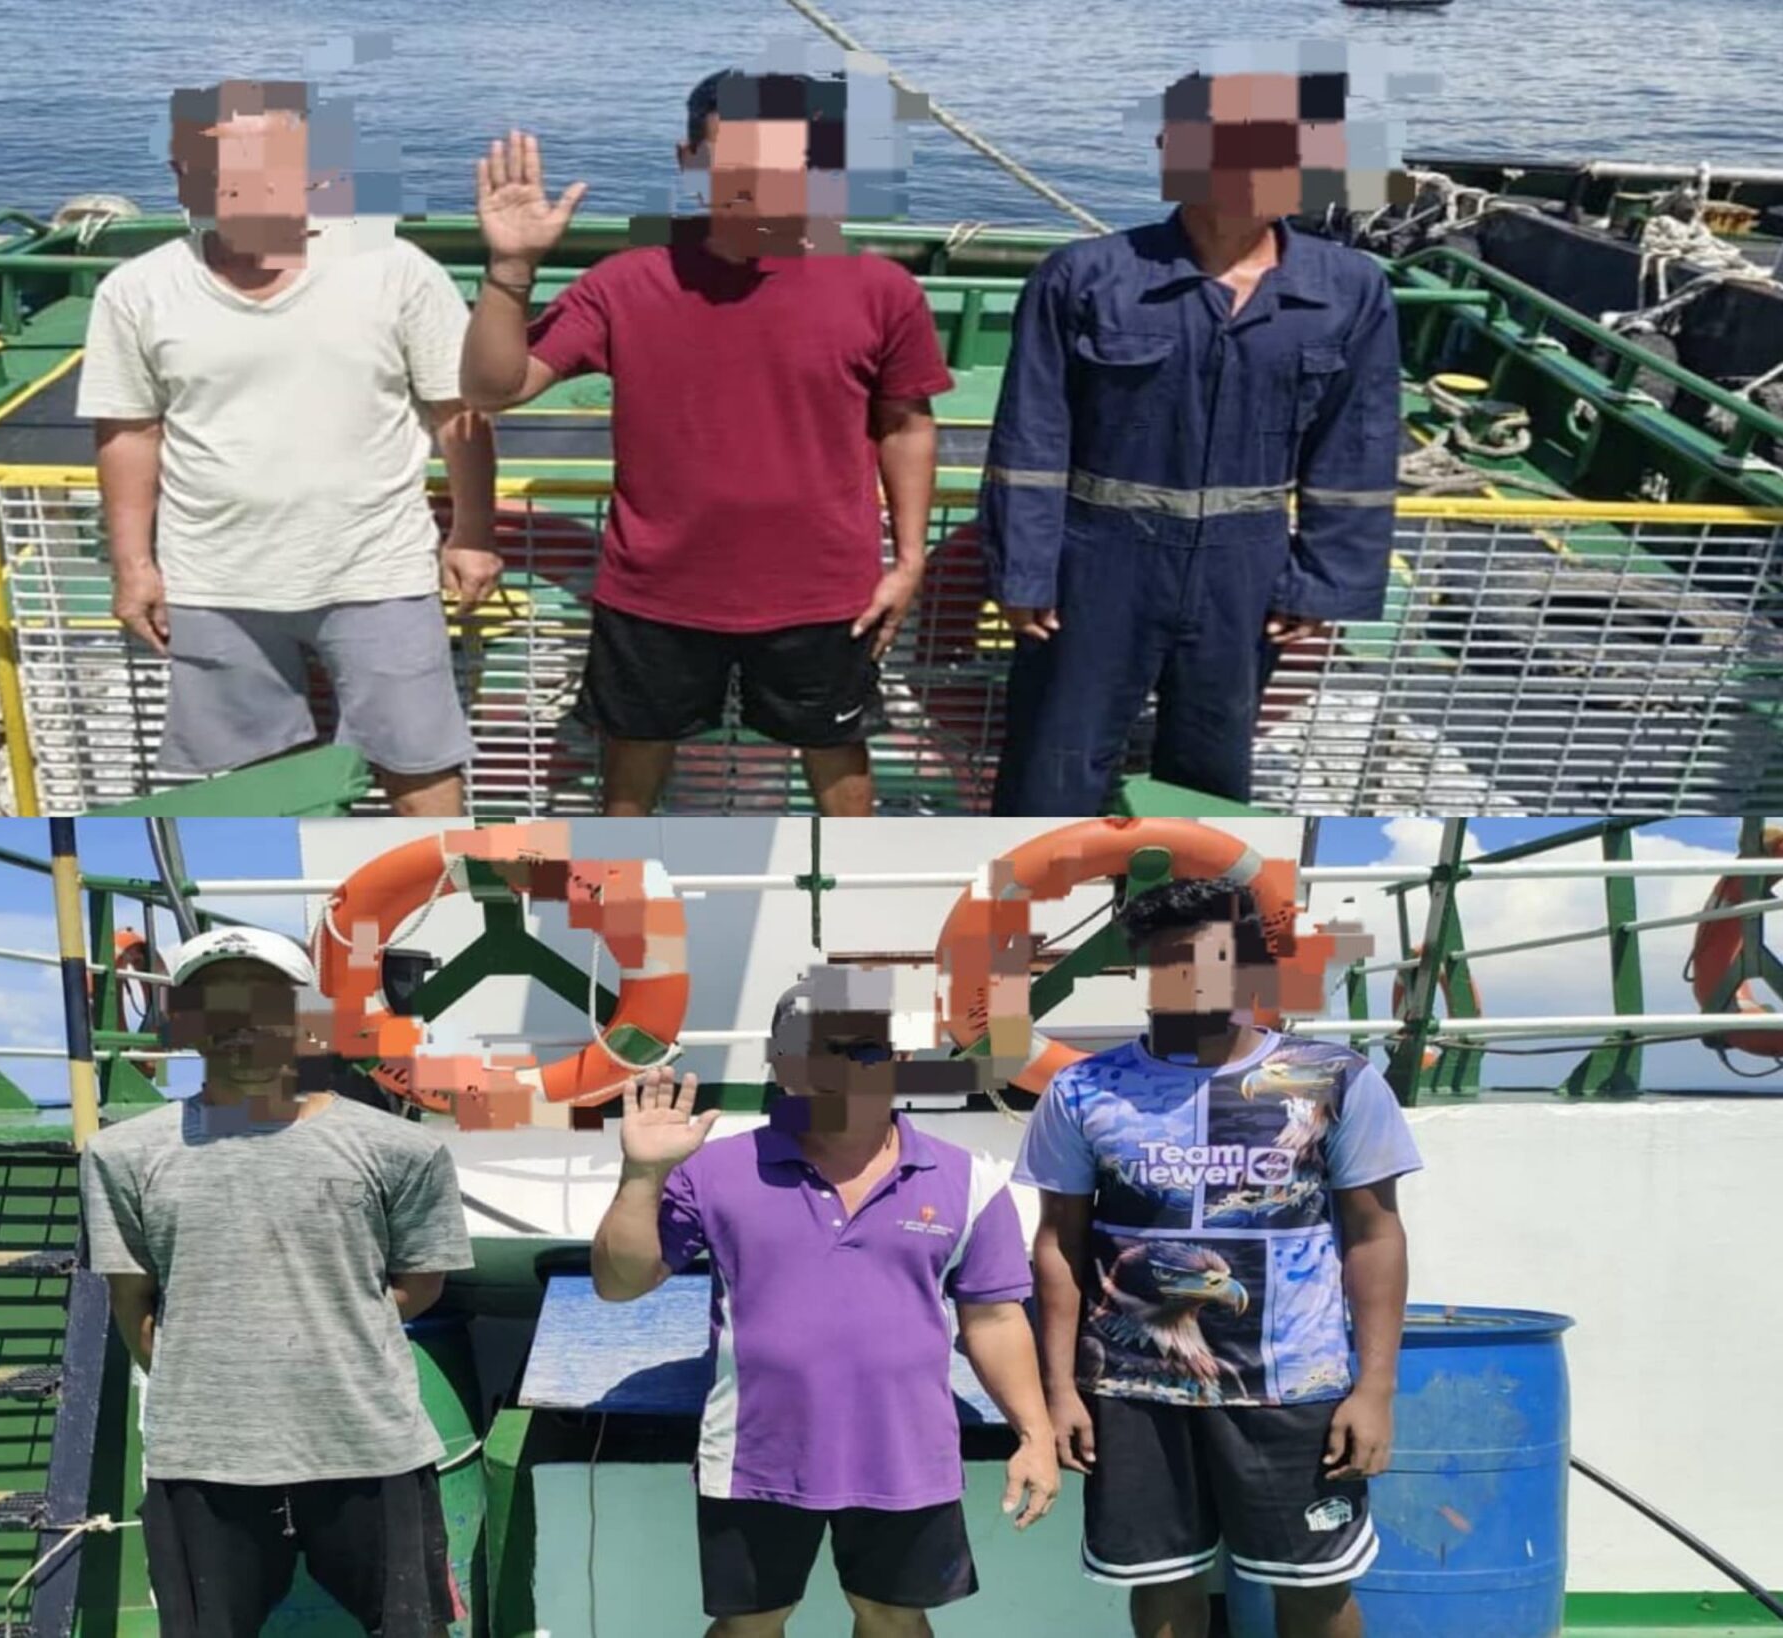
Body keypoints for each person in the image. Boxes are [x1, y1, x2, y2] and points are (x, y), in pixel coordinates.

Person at [459, 68, 952, 817]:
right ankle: (617, 891)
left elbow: (906, 426)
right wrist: (511, 268)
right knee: (630, 771)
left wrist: (909, 561)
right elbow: (495, 388)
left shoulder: (880, 289)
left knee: (840, 765)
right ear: (691, 159)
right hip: (653, 590)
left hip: (826, 594)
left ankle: (850, 891)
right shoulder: (626, 281)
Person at [982, 63, 1402, 815]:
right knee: (1054, 756)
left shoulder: (1349, 289)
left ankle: (1191, 890)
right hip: (1098, 559)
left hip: (1248, 565)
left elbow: (1357, 445)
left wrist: (1324, 580)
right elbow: (1031, 438)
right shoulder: (1085, 278)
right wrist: (1025, 570)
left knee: (1212, 765)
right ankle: (1033, 887)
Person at [590, 969, 1059, 1638]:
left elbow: (995, 1318)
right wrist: (642, 1174)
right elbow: (620, 1282)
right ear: (783, 1066)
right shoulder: (712, 1171)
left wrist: (1035, 1436)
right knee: (750, 1625)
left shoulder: (971, 1181)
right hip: (755, 1457)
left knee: (894, 1620)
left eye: (865, 1051)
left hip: (908, 1454)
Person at [77, 78, 500, 817]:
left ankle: (451, 889)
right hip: (213, 581)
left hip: (378, 572)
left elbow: (457, 413)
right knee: (263, 793)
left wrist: (472, 533)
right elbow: (129, 433)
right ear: (182, 173)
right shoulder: (137, 290)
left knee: (422, 773)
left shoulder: (396, 270)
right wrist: (133, 565)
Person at [1013, 876, 1419, 1638]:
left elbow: (1375, 1235)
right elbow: (1059, 1244)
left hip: (1293, 1388)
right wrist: (1060, 1391)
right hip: (1134, 1393)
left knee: (1315, 1590)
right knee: (1163, 1586)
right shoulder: (1081, 1091)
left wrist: (1375, 1389)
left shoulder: (1335, 1080)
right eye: (1171, 958)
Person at [79, 924, 473, 1637]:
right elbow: (133, 1305)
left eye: (264, 1001)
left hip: (370, 1447)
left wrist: (324, 1340)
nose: (241, 1023)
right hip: (203, 1461)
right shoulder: (121, 1157)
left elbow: (421, 1284)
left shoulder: (402, 1150)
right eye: (215, 1005)